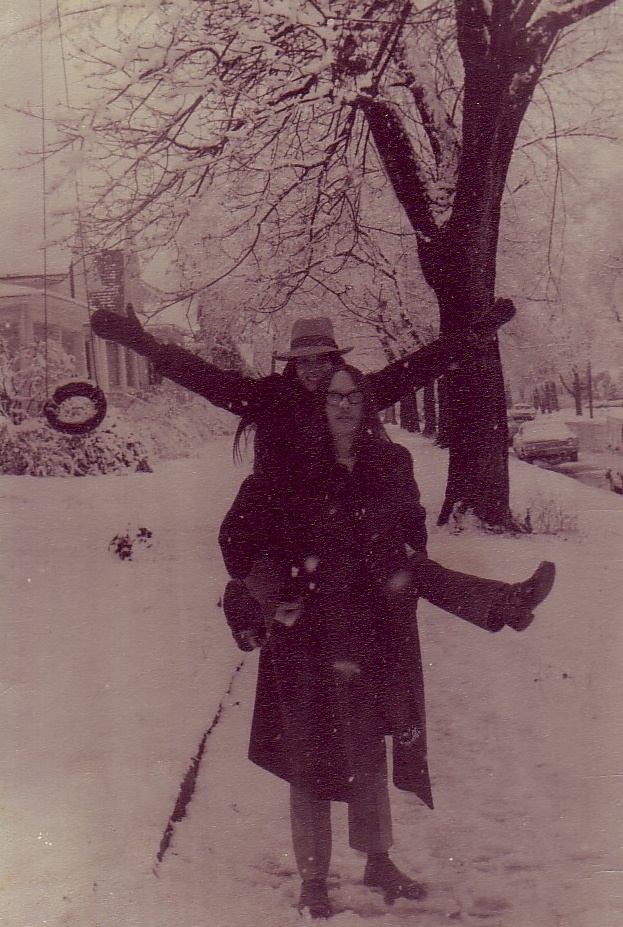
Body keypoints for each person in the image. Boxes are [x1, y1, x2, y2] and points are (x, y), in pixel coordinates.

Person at [221, 363, 555, 919]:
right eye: (333, 396)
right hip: (305, 626)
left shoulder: (391, 462)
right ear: (320, 404)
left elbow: (412, 527)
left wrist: (393, 558)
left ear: (367, 403)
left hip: (369, 624)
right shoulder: (286, 467)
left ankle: (378, 863)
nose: (344, 405)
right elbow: (237, 537)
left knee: (367, 745)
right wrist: (270, 590)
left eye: (354, 395)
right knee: (309, 756)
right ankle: (313, 883)